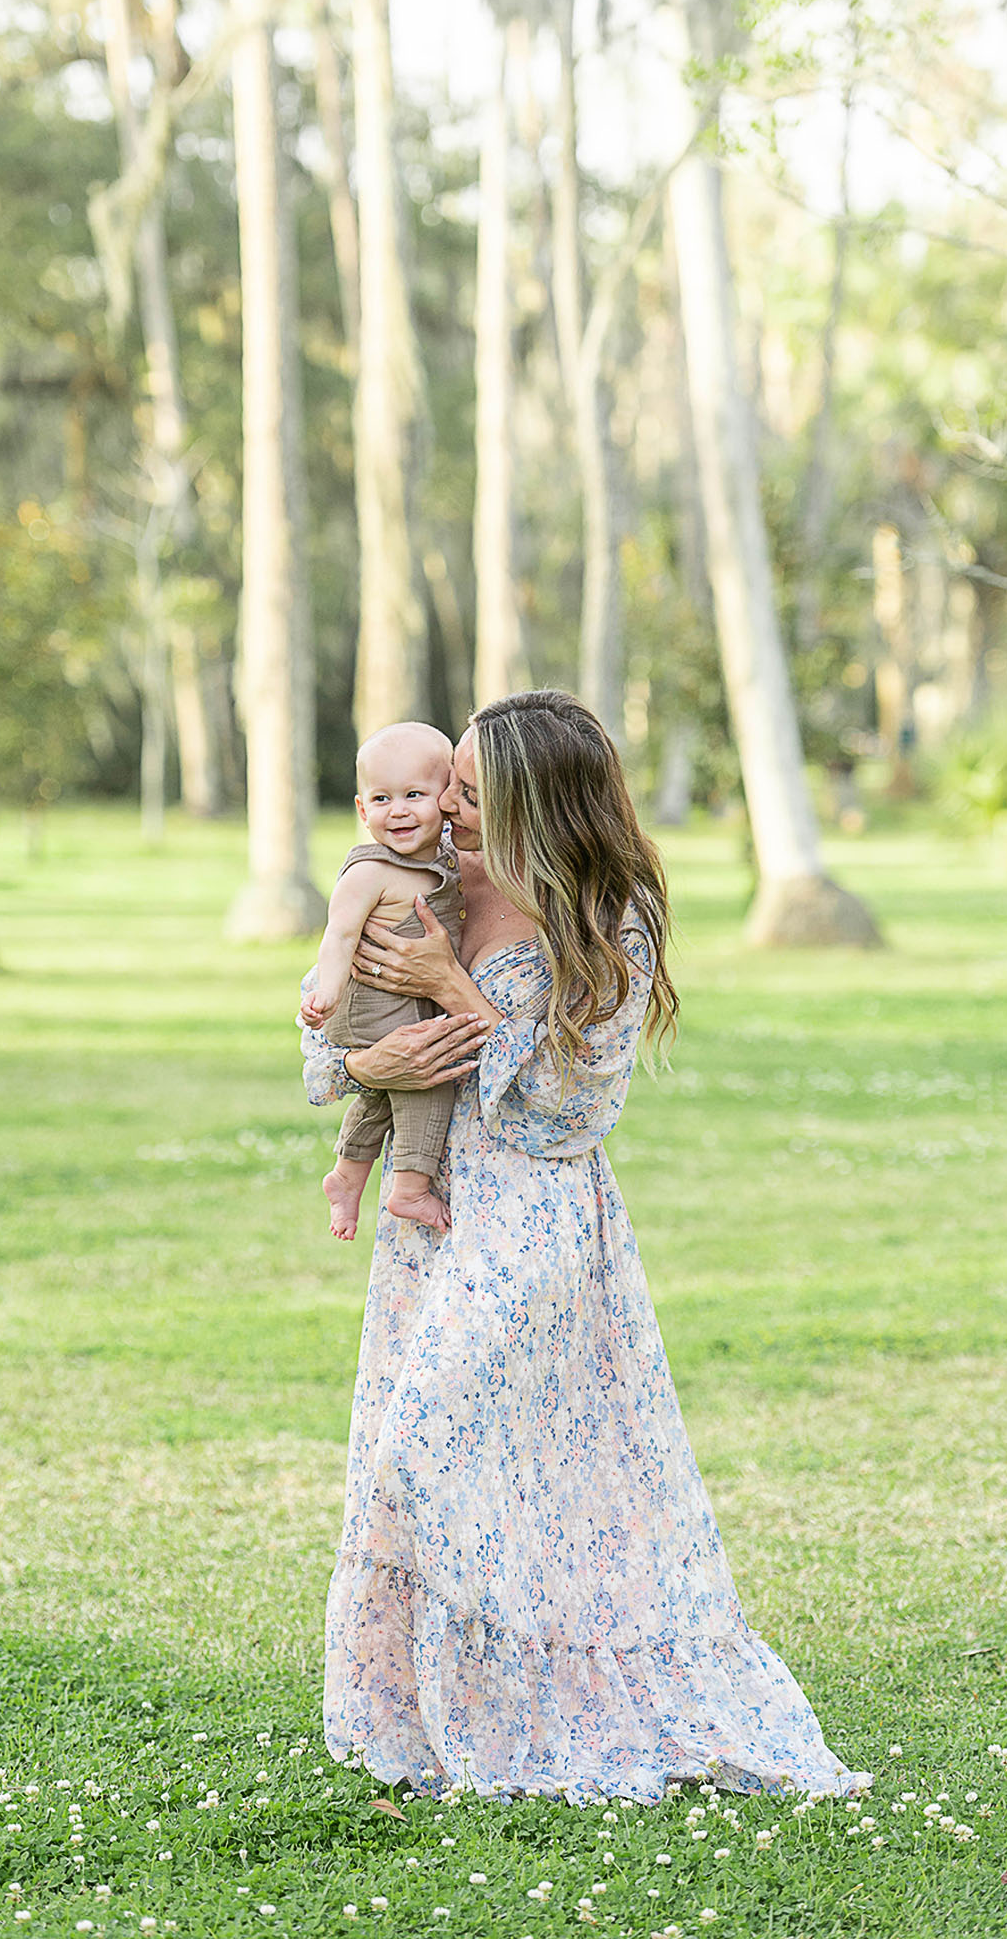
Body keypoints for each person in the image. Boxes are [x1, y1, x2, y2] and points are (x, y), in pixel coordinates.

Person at [300, 688, 870, 1804]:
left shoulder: (609, 918)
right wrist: (373, 1069)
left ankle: (560, 1700)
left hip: (541, 1221)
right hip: (434, 1213)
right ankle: (442, 1710)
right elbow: (333, 1041)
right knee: (428, 1463)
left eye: (468, 790)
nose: (445, 809)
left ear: (532, 800)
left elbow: (565, 1110)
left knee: (456, 1444)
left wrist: (450, 989)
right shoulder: (426, 884)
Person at [303, 722, 467, 1238]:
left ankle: (347, 1176)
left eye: (414, 795)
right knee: (428, 1074)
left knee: (383, 1092)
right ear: (361, 809)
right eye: (382, 798)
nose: (398, 810)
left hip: (400, 1000)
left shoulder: (443, 858)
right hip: (371, 1004)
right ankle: (409, 1188)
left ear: (445, 797)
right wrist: (324, 992)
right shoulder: (369, 872)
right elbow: (339, 935)